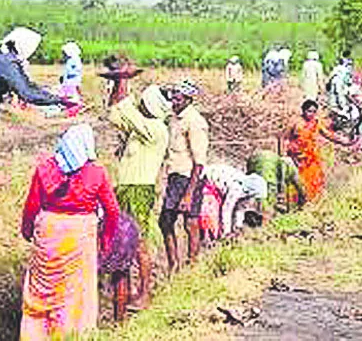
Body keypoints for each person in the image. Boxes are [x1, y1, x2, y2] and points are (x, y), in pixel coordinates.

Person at [20, 124, 118, 340]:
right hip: (79, 236)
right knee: (73, 295)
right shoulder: (96, 173)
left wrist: (27, 231)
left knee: (40, 292)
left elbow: (32, 205)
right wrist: (106, 240)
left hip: (47, 232)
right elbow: (112, 210)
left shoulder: (45, 169)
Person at [0, 27, 69, 214]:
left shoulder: (1, 58)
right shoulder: (6, 62)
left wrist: (52, 97)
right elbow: (26, 92)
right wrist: (57, 99)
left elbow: (27, 86)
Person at [107, 72, 171, 308]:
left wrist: (123, 79)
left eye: (143, 102)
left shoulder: (156, 129)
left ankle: (145, 292)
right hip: (125, 189)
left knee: (140, 241)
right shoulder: (140, 128)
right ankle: (131, 289)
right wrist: (117, 82)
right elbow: (115, 111)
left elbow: (127, 109)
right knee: (124, 241)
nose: (139, 105)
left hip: (139, 191)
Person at [159, 79, 209, 273]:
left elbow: (199, 161)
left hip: (189, 176)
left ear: (188, 99)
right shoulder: (173, 118)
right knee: (166, 221)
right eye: (173, 97)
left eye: (178, 97)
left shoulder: (195, 122)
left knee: (190, 221)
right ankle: (174, 265)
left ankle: (192, 264)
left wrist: (189, 193)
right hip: (175, 175)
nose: (174, 100)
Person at [285, 100, 353, 202]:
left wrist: (345, 141)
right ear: (303, 111)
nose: (311, 114)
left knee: (314, 180)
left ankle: (311, 201)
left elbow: (329, 135)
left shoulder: (316, 123)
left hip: (312, 157)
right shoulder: (296, 123)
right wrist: (286, 155)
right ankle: (296, 202)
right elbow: (285, 139)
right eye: (309, 111)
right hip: (297, 158)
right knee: (298, 181)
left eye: (314, 112)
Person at [200, 164, 267, 240]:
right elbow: (226, 209)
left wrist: (238, 227)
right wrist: (227, 232)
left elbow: (240, 209)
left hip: (221, 186)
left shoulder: (248, 192)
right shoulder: (237, 187)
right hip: (208, 178)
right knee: (212, 212)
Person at [246, 150, 306, 221]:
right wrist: (303, 199)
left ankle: (253, 213)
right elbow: (298, 184)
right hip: (267, 173)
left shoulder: (279, 159)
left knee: (253, 194)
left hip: (254, 163)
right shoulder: (290, 164)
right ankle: (264, 221)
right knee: (268, 198)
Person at [58, 41, 83, 116]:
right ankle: (69, 109)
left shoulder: (75, 59)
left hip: (72, 81)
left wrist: (69, 74)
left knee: (72, 96)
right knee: (67, 95)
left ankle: (72, 110)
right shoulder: (70, 60)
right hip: (68, 82)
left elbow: (77, 70)